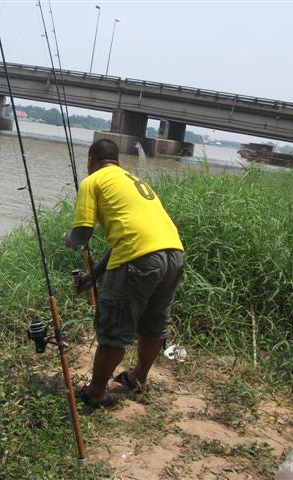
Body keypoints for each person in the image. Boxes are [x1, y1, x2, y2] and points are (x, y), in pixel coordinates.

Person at [64, 138, 184, 408]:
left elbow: (82, 234)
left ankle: (95, 392)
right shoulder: (133, 180)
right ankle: (138, 378)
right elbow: (127, 240)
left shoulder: (92, 182)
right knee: (153, 325)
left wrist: (69, 240)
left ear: (90, 161)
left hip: (140, 258)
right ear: (116, 160)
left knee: (113, 329)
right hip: (174, 254)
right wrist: (92, 277)